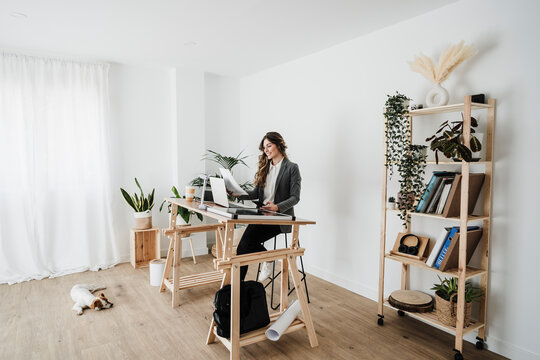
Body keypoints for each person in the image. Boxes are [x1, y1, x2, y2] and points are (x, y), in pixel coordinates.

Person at [234, 131, 301, 282]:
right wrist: (237, 193)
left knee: (244, 245)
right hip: (262, 214)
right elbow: (255, 193)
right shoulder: (265, 168)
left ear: (278, 145)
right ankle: (266, 262)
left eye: (269, 145)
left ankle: (267, 262)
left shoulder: (291, 168)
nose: (266, 150)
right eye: (264, 147)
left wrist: (277, 207)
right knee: (242, 248)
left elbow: (295, 197)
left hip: (280, 217)